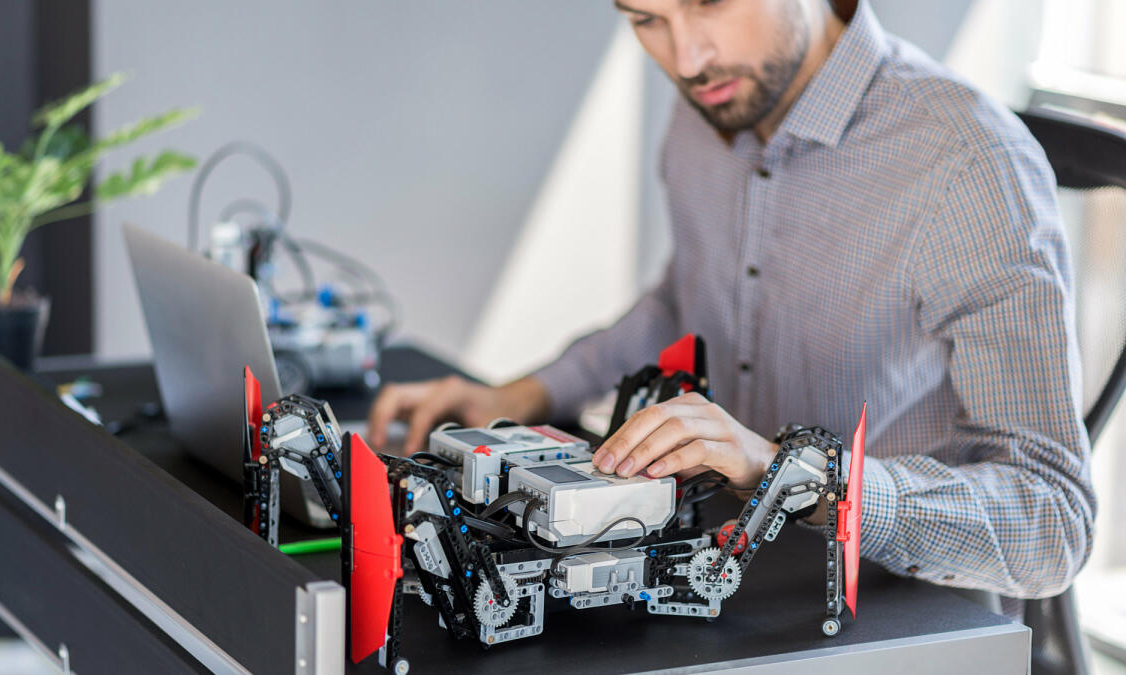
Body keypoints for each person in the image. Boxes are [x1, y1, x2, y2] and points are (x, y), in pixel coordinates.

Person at [367, 0, 1095, 607]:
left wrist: (792, 474)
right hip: (719, 578)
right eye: (646, 18)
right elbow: (683, 300)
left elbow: (1052, 522)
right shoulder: (710, 107)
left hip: (887, 612)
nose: (685, 59)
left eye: (710, 1)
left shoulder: (969, 165)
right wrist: (518, 394)